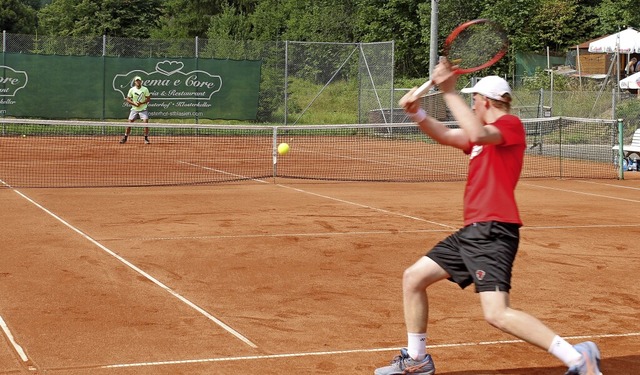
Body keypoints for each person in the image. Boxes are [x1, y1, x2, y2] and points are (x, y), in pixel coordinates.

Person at [374, 59, 601, 375]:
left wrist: (448, 91)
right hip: (474, 231)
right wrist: (417, 112)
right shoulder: (482, 136)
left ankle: (578, 358)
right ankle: (418, 359)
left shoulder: (509, 125)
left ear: (484, 101)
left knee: (497, 314)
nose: (471, 104)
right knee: (414, 278)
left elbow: (477, 133)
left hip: (493, 230)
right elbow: (446, 135)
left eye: (473, 99)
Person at [121, 76, 151, 144]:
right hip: (134, 109)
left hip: (143, 109)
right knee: (129, 124)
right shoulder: (132, 90)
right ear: (134, 82)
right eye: (136, 81)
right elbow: (128, 99)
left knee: (145, 123)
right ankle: (125, 138)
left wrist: (141, 103)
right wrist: (134, 104)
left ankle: (146, 139)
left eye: (139, 80)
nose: (138, 82)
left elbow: (148, 99)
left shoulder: (145, 89)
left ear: (141, 81)